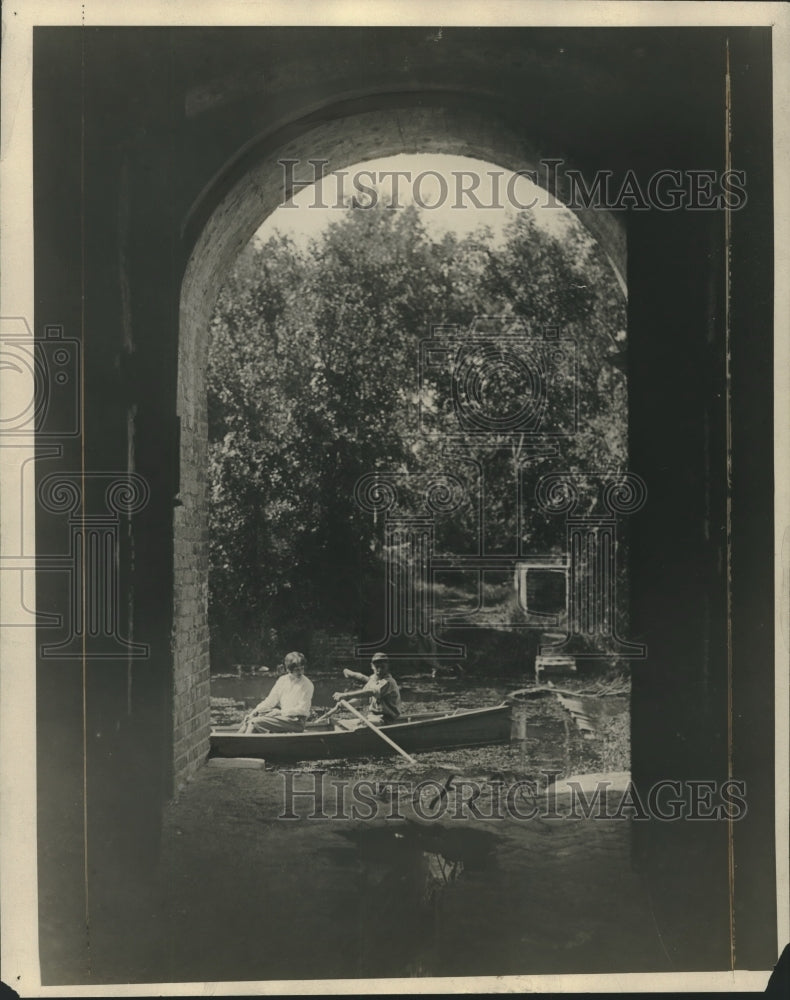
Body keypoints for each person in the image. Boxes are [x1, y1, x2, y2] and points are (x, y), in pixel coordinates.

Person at [239, 651, 313, 733]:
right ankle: (235, 743)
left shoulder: (307, 684)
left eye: (302, 668)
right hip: (283, 718)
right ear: (288, 669)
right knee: (249, 721)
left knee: (254, 722)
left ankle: (242, 744)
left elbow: (303, 709)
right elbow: (270, 701)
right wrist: (253, 713)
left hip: (296, 722)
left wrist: (280, 712)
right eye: (297, 670)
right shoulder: (282, 680)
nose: (301, 672)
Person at [332, 652, 401, 726]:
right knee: (342, 724)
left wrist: (346, 695)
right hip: (373, 717)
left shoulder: (388, 682)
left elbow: (371, 692)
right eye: (376, 666)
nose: (379, 669)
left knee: (361, 725)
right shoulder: (372, 680)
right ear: (372, 666)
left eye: (382, 666)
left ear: (387, 666)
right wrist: (346, 705)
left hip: (387, 720)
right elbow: (361, 700)